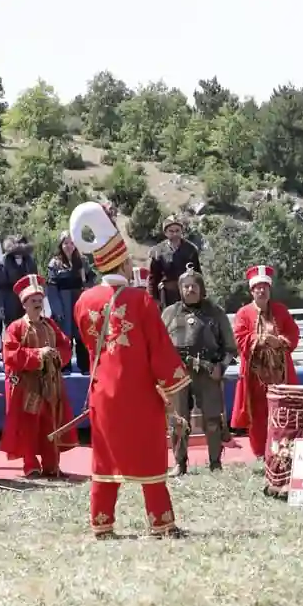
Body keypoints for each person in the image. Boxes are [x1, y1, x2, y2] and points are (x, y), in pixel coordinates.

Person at [69, 201, 189, 539]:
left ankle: (102, 523)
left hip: (102, 393)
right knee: (149, 454)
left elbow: (89, 343)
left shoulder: (84, 301)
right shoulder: (141, 301)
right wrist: (171, 384)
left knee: (105, 459)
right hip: (137, 392)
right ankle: (161, 522)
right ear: (121, 260)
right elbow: (157, 348)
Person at [161, 268, 237, 474]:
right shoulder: (169, 313)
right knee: (178, 420)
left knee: (212, 419)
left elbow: (231, 348)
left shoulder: (216, 312)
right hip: (178, 374)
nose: (190, 289)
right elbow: (158, 345)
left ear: (201, 289)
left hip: (208, 371)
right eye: (186, 286)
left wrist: (221, 366)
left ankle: (215, 463)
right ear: (180, 289)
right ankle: (180, 463)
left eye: (194, 286)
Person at [0, 274, 74, 479]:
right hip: (28, 385)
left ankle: (52, 464)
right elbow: (10, 354)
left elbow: (65, 345)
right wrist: (38, 355)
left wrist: (56, 354)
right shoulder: (15, 328)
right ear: (24, 304)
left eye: (40, 301)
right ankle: (30, 465)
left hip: (50, 384)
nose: (38, 304)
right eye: (34, 301)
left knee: (51, 422)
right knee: (29, 426)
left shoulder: (50, 325)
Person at [231, 265, 300, 458]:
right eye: (258, 288)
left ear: (270, 290)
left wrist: (279, 342)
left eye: (265, 287)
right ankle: (260, 453)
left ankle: (284, 449)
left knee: (283, 409)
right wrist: (260, 340)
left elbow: (293, 333)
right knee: (258, 413)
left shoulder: (281, 310)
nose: (262, 291)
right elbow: (239, 338)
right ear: (252, 291)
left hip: (281, 373)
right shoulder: (243, 313)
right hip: (255, 375)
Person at [46, 231, 93, 372]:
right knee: (64, 336)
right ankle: (64, 365)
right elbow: (51, 288)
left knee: (81, 335)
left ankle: (84, 366)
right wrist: (57, 309)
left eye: (72, 243)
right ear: (61, 245)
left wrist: (88, 287)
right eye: (66, 243)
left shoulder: (82, 261)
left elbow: (91, 280)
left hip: (79, 302)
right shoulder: (55, 264)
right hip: (63, 303)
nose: (69, 246)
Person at [147, 215, 202, 309]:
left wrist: (200, 294)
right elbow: (153, 278)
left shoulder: (190, 250)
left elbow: (198, 275)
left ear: (181, 231)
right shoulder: (158, 251)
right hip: (167, 296)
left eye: (177, 231)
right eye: (171, 231)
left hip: (188, 293)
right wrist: (153, 298)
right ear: (165, 233)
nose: (175, 234)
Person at [0, 235, 38, 332]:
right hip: (10, 303)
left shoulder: (30, 261)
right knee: (13, 332)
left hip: (27, 301)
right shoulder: (3, 262)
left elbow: (35, 281)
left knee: (28, 331)